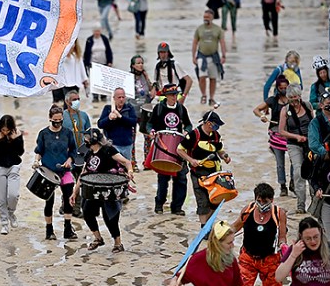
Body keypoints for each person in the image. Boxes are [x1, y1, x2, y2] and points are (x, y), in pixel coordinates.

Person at [226, 183, 288, 286]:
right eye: (260, 200)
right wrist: (221, 234)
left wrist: (283, 247)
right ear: (255, 199)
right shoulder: (247, 211)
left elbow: (282, 237)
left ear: (272, 200)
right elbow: (235, 227)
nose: (263, 204)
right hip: (248, 258)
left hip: (270, 260)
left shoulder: (278, 213)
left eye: (266, 201)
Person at [71, 128, 133, 253]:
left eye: (87, 138)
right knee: (87, 212)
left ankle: (118, 243)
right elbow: (84, 173)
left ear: (94, 139)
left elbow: (126, 162)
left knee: (110, 217)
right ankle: (98, 238)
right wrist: (75, 192)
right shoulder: (88, 153)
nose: (85, 140)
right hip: (92, 189)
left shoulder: (108, 150)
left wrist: (130, 171)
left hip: (109, 189)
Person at [147, 83, 192, 215]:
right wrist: (151, 131)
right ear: (166, 96)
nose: (174, 97)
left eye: (175, 95)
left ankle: (177, 207)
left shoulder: (182, 109)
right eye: (171, 95)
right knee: (163, 179)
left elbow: (188, 125)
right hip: (163, 147)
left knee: (181, 179)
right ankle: (159, 204)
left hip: (178, 148)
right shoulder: (158, 108)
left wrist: (186, 132)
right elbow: (149, 124)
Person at [180, 111, 231, 226]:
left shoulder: (216, 135)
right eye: (215, 124)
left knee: (215, 200)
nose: (216, 127)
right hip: (198, 173)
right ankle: (204, 227)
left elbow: (219, 150)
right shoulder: (193, 135)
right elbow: (180, 149)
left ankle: (207, 225)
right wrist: (191, 160)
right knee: (202, 201)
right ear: (208, 123)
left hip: (214, 173)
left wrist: (225, 156)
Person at [35, 105, 77, 240]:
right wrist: (36, 161)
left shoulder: (68, 133)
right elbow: (39, 151)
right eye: (55, 120)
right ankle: (49, 229)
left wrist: (70, 160)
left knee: (68, 199)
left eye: (60, 120)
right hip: (49, 171)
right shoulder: (44, 134)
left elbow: (73, 151)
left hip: (64, 171)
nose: (57, 123)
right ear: (50, 119)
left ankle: (68, 228)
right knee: (49, 201)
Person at [0, 115, 25, 235]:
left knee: (13, 195)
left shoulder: (17, 133)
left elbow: (21, 152)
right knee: (1, 199)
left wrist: (15, 139)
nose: (5, 132)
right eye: (3, 129)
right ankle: (4, 223)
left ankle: (11, 213)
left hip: (14, 165)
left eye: (7, 130)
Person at [279, 85, 314, 214]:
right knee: (298, 172)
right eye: (291, 98)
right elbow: (281, 131)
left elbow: (313, 123)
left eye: (296, 97)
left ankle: (315, 202)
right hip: (294, 145)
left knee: (312, 172)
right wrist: (296, 137)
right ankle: (301, 204)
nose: (294, 100)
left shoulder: (307, 106)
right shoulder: (285, 110)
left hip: (310, 144)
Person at [254, 76, 291, 196]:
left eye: (286, 88)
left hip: (291, 133)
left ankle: (293, 184)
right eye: (281, 88)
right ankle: (283, 186)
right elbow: (256, 109)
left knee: (295, 161)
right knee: (280, 163)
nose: (284, 90)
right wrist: (262, 116)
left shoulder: (293, 100)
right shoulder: (272, 100)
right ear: (278, 88)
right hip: (276, 134)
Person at [191, 9, 227, 106]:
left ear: (212, 17)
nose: (205, 19)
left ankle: (211, 98)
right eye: (204, 17)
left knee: (213, 78)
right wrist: (193, 56)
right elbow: (195, 42)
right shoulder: (199, 29)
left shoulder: (218, 29)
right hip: (201, 57)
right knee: (201, 77)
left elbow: (222, 42)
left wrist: (223, 55)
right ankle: (203, 95)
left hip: (213, 57)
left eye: (207, 17)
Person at [97, 88, 136, 161]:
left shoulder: (129, 108)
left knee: (125, 167)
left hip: (127, 145)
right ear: (114, 98)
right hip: (113, 144)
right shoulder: (108, 108)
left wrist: (120, 117)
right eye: (119, 97)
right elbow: (100, 124)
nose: (121, 99)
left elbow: (133, 122)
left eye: (123, 97)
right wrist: (109, 118)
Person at [83, 28, 113, 101]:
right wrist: (85, 63)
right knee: (94, 81)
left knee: (103, 81)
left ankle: (103, 96)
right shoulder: (89, 40)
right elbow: (86, 52)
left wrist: (110, 61)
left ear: (100, 31)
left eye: (98, 31)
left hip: (104, 63)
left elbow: (109, 50)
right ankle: (95, 96)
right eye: (95, 31)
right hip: (93, 64)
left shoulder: (104, 39)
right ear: (93, 32)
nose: (97, 33)